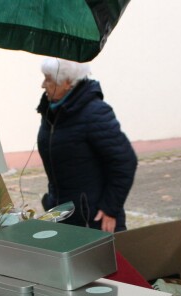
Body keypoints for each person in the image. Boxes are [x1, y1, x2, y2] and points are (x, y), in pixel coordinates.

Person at [37, 58, 137, 232]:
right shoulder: (52, 112)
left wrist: (110, 209)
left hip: (93, 220)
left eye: (48, 79)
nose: (43, 85)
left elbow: (125, 161)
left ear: (67, 83)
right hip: (64, 216)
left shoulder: (94, 112)